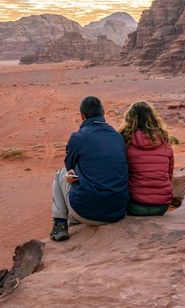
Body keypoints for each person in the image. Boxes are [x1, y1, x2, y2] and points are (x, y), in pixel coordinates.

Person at [50, 96, 128, 241]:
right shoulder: (117, 137)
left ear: (82, 115)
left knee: (60, 174)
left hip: (88, 212)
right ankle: (74, 217)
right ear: (103, 113)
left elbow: (70, 167)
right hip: (117, 211)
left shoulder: (78, 138)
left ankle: (59, 225)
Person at [120, 102, 174, 216]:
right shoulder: (165, 142)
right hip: (162, 206)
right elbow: (169, 174)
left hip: (135, 206)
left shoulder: (125, 141)